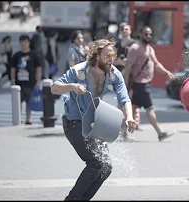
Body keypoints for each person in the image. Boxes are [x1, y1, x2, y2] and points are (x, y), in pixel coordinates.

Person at [51, 38, 137, 201]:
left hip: (94, 124)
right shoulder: (78, 71)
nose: (111, 59)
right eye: (107, 55)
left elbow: (124, 98)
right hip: (74, 124)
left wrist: (130, 117)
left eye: (113, 55)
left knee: (106, 167)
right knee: (96, 163)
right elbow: (55, 88)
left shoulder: (113, 74)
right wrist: (73, 87)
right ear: (97, 56)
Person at [122, 26, 176, 141]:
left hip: (144, 84)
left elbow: (156, 64)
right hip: (140, 84)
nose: (148, 36)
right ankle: (160, 133)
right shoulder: (135, 48)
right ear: (140, 34)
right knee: (149, 108)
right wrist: (125, 85)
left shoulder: (150, 49)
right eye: (146, 34)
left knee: (132, 108)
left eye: (150, 34)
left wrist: (166, 72)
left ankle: (122, 132)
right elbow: (128, 68)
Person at [10, 35, 42, 124]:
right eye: (22, 42)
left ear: (28, 43)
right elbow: (13, 68)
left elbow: (38, 68)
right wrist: (12, 80)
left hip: (30, 82)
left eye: (25, 42)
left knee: (29, 103)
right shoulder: (16, 55)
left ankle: (28, 120)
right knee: (18, 102)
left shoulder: (33, 55)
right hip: (19, 83)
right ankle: (18, 119)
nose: (23, 44)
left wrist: (38, 81)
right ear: (20, 43)